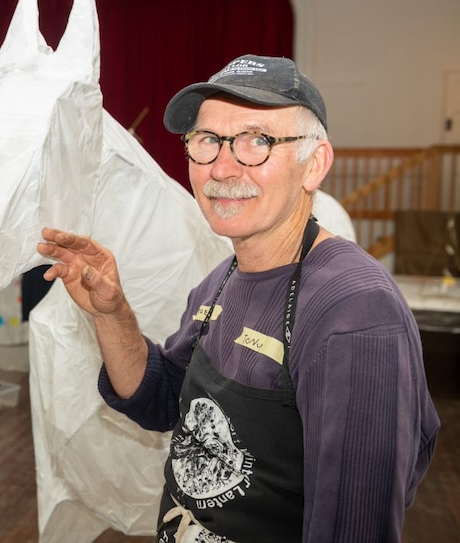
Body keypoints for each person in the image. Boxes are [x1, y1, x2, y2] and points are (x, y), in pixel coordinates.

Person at [37, 54, 440, 542]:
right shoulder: (222, 280)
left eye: (257, 141)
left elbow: (354, 526)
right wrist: (113, 314)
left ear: (313, 165)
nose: (222, 168)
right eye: (207, 141)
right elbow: (164, 402)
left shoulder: (352, 311)